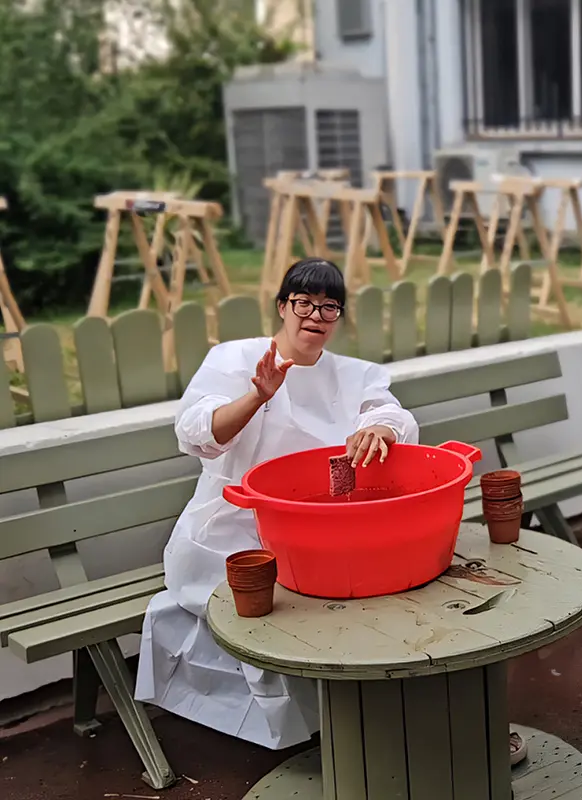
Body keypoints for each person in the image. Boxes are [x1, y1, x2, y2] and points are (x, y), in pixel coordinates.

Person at [134, 258, 422, 749]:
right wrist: (256, 396)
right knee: (284, 612)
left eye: (329, 307)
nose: (316, 316)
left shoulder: (353, 374)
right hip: (232, 531)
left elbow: (389, 412)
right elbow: (197, 432)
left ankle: (366, 718)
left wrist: (381, 427)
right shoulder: (236, 358)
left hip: (322, 531)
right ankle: (324, 733)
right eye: (304, 303)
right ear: (282, 306)